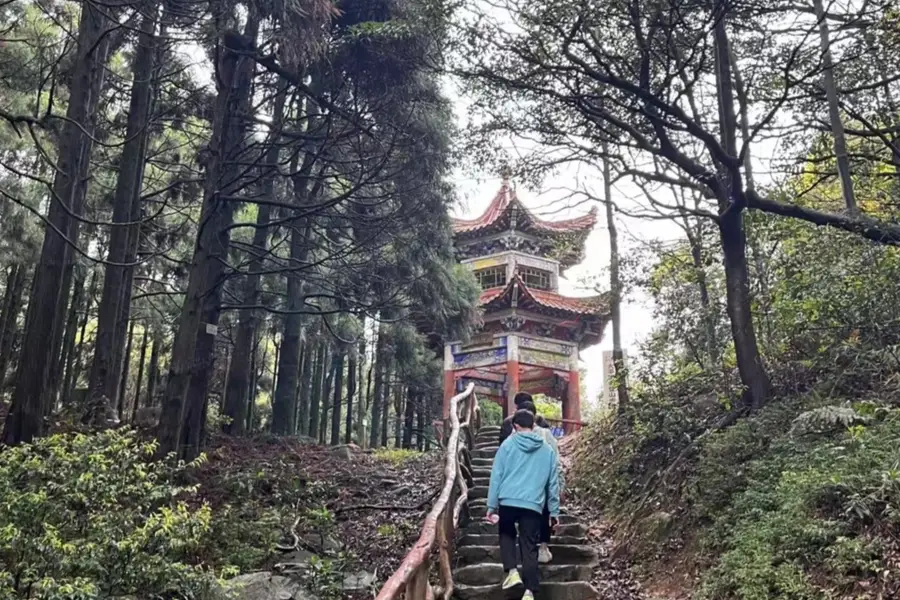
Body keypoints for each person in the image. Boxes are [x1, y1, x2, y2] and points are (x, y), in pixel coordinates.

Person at [486, 409, 561, 600]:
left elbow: (496, 476)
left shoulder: (507, 445)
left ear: (515, 426)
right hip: (533, 504)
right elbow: (553, 483)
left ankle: (511, 571)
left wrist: (491, 505)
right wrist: (554, 512)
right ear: (533, 425)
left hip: (508, 500)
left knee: (507, 534)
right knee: (529, 546)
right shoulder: (547, 450)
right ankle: (530, 591)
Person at [518, 400, 565, 564]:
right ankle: (543, 547)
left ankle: (529, 548)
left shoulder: (515, 436)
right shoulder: (546, 434)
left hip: (525, 483)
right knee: (545, 512)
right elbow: (556, 461)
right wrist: (559, 483)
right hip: (544, 480)